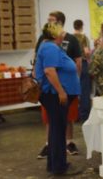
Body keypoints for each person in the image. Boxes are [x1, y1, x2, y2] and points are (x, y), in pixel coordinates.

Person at [35, 22, 82, 175]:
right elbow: (49, 71)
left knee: (56, 129)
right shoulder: (49, 47)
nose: (64, 33)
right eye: (61, 31)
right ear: (54, 34)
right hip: (55, 95)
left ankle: (54, 165)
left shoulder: (50, 46)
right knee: (58, 130)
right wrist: (61, 92)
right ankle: (59, 168)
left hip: (55, 95)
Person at [73, 19, 92, 121]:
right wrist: (89, 59)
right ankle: (84, 115)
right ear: (82, 26)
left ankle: (75, 115)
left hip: (72, 66)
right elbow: (87, 52)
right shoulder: (83, 37)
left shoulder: (70, 37)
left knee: (74, 90)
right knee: (84, 90)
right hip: (82, 64)